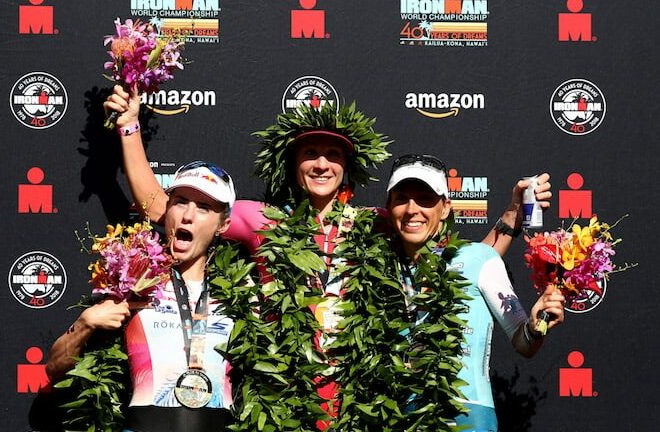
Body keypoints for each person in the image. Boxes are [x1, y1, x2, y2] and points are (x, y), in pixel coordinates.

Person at [103, 85, 552, 429]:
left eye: (333, 154)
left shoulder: (378, 221)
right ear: (293, 166)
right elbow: (163, 208)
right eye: (310, 154)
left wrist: (512, 213)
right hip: (286, 398)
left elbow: (459, 259)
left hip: (359, 399)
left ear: (346, 169)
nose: (321, 163)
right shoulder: (262, 221)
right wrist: (129, 128)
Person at [45, 161, 238, 432]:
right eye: (180, 202)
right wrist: (85, 324)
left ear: (223, 224)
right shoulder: (132, 283)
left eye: (204, 207)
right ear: (167, 209)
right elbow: (54, 369)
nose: (188, 216)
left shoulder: (243, 296)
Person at [385, 154, 565, 432]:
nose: (412, 209)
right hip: (397, 416)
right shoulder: (377, 270)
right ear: (388, 207)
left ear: (445, 208)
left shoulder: (479, 258)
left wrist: (537, 326)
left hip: (466, 415)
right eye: (401, 198)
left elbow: (524, 341)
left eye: (425, 198)